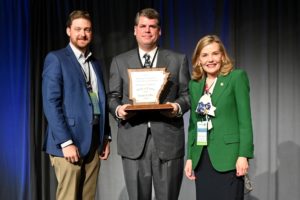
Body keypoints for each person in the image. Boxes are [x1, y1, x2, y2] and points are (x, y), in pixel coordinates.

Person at [108, 8, 190, 200]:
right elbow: (112, 97)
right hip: (133, 140)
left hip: (168, 139)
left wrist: (176, 108)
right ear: (135, 30)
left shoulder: (178, 60)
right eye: (143, 26)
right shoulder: (120, 62)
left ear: (159, 31)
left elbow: (187, 95)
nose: (147, 30)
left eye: (152, 26)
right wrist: (119, 110)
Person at [42, 10, 110, 200]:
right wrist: (66, 142)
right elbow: (50, 103)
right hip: (68, 144)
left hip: (93, 142)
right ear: (68, 31)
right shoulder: (56, 59)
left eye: (87, 29)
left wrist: (106, 136)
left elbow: (99, 100)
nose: (83, 34)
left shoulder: (95, 63)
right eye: (78, 29)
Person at [184, 35, 254, 199]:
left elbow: (245, 121)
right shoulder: (195, 85)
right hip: (203, 159)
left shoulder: (236, 78)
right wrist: (190, 158)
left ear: (222, 56)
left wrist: (243, 155)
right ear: (198, 60)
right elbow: (195, 124)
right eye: (205, 55)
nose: (210, 59)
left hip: (229, 158)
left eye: (215, 54)